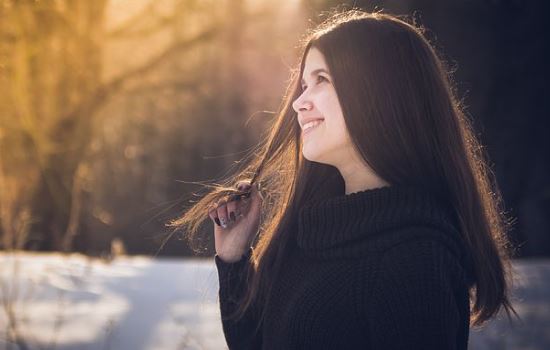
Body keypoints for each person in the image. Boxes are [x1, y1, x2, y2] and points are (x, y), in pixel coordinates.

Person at [169, 9, 519, 349]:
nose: (298, 103)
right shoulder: (309, 231)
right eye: (303, 84)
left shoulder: (414, 261)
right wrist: (234, 261)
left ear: (380, 93)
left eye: (321, 79)